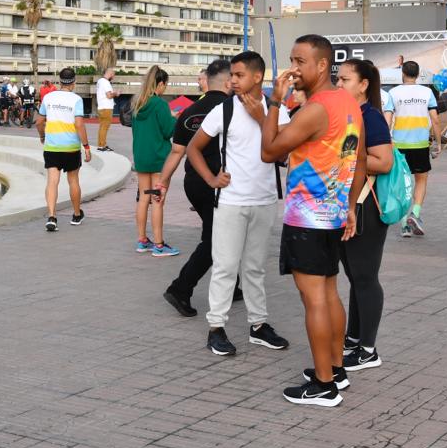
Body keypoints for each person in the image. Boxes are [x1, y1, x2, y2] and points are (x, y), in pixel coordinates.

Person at [261, 34, 366, 408]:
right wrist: (351, 206)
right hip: (334, 214)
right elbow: (361, 159)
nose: (293, 68)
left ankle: (324, 386)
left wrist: (274, 103)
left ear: (322, 65)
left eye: (300, 61)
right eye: (292, 59)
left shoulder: (316, 108)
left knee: (315, 300)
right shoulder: (349, 104)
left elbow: (269, 150)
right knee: (330, 292)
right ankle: (336, 369)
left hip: (307, 218)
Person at [185, 52, 291, 357]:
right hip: (231, 200)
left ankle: (259, 326)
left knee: (255, 268)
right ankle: (216, 328)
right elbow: (194, 148)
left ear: (257, 77)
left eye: (239, 75)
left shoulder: (277, 111)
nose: (232, 80)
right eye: (232, 75)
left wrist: (263, 116)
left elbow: (284, 152)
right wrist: (210, 178)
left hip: (265, 198)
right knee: (225, 267)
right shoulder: (223, 110)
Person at [156, 59, 231, 317]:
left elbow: (177, 152)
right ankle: (181, 288)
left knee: (225, 232)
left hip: (193, 184)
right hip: (216, 183)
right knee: (214, 239)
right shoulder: (229, 109)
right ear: (228, 81)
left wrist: (163, 182)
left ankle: (236, 286)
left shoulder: (190, 112)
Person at [335, 58, 393, 373]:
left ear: (363, 84)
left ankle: (368, 349)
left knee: (366, 277)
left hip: (366, 205)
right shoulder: (348, 115)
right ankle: (354, 338)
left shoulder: (370, 117)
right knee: (355, 276)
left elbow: (383, 162)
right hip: (349, 203)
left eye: (344, 80)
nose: (339, 85)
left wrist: (340, 158)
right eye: (338, 79)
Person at [388, 60, 442, 237]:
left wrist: (386, 141)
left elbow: (387, 119)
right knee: (421, 180)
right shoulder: (427, 92)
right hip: (420, 144)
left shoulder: (393, 93)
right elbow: (435, 119)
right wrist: (438, 143)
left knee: (402, 183)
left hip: (398, 144)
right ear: (418, 74)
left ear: (402, 73)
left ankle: (404, 225)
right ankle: (415, 213)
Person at [131, 65, 179, 256]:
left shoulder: (138, 103)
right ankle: (159, 245)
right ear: (160, 84)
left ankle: (142, 240)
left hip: (142, 157)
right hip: (159, 159)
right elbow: (168, 131)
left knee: (144, 197)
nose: (164, 89)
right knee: (157, 199)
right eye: (164, 86)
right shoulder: (159, 104)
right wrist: (173, 118)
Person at [35, 67, 91, 230]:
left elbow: (39, 122)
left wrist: (42, 136)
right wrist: (86, 146)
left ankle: (52, 217)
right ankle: (76, 215)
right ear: (74, 82)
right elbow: (79, 124)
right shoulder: (76, 100)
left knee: (52, 181)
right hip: (71, 148)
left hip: (52, 146)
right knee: (73, 181)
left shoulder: (48, 97)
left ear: (60, 81)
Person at [95, 68, 117, 151]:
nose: (113, 77)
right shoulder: (106, 82)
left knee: (102, 127)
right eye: (113, 75)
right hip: (106, 108)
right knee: (105, 127)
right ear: (110, 73)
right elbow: (109, 95)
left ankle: (102, 144)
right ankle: (102, 146)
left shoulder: (100, 81)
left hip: (102, 107)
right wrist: (116, 93)